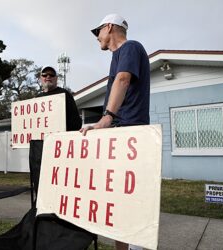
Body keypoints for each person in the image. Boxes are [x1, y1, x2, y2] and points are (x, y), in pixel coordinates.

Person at [80, 14, 150, 250]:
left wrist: (106, 118)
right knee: (117, 200)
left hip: (130, 132)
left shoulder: (131, 47)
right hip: (121, 132)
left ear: (109, 27)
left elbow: (122, 80)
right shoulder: (116, 57)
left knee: (130, 200)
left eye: (98, 31)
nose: (97, 37)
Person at [37, 65, 82, 131]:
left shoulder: (65, 94)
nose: (48, 76)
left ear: (56, 78)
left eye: (52, 75)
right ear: (40, 78)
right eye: (44, 75)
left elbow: (76, 122)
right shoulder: (37, 98)